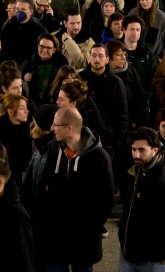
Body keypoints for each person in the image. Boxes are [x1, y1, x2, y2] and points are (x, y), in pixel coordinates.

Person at [23, 107, 114, 272]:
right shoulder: (53, 148)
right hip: (55, 239)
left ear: (69, 128)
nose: (51, 128)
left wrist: (90, 229)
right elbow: (45, 185)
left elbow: (105, 200)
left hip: (83, 241)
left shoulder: (99, 158)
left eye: (56, 125)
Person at [118, 127, 165, 272]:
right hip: (127, 254)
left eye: (142, 150)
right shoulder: (134, 170)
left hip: (151, 261)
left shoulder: (161, 179)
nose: (136, 155)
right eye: (133, 149)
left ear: (154, 150)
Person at [80, 41, 130, 155]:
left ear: (107, 59)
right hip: (82, 138)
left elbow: (123, 114)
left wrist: (115, 141)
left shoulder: (116, 83)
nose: (97, 59)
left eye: (101, 56)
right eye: (94, 55)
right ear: (89, 58)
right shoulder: (80, 79)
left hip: (107, 140)